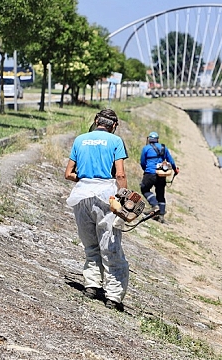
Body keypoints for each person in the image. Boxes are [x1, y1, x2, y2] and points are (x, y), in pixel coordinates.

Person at [64, 109, 129, 312]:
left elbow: (68, 174)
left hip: (81, 195)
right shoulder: (115, 141)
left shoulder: (80, 140)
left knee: (90, 244)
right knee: (110, 246)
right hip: (105, 196)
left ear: (95, 121)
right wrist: (124, 198)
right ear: (114, 125)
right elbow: (119, 174)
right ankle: (113, 296)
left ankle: (91, 286)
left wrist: (86, 178)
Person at [139, 131, 179, 224]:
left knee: (144, 189)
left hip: (149, 173)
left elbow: (142, 162)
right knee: (160, 194)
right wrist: (175, 169)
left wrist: (146, 170)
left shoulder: (146, 148)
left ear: (149, 139)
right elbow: (171, 161)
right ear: (157, 139)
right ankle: (161, 215)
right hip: (161, 174)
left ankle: (154, 205)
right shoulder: (164, 148)